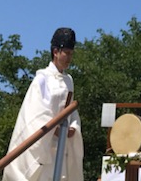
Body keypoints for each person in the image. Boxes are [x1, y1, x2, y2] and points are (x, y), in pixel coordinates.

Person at [5, 28, 83, 181]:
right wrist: (54, 129)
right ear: (56, 52)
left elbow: (71, 110)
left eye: (71, 53)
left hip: (63, 144)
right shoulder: (42, 79)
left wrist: (73, 127)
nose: (69, 57)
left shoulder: (69, 81)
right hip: (46, 145)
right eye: (66, 53)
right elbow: (35, 112)